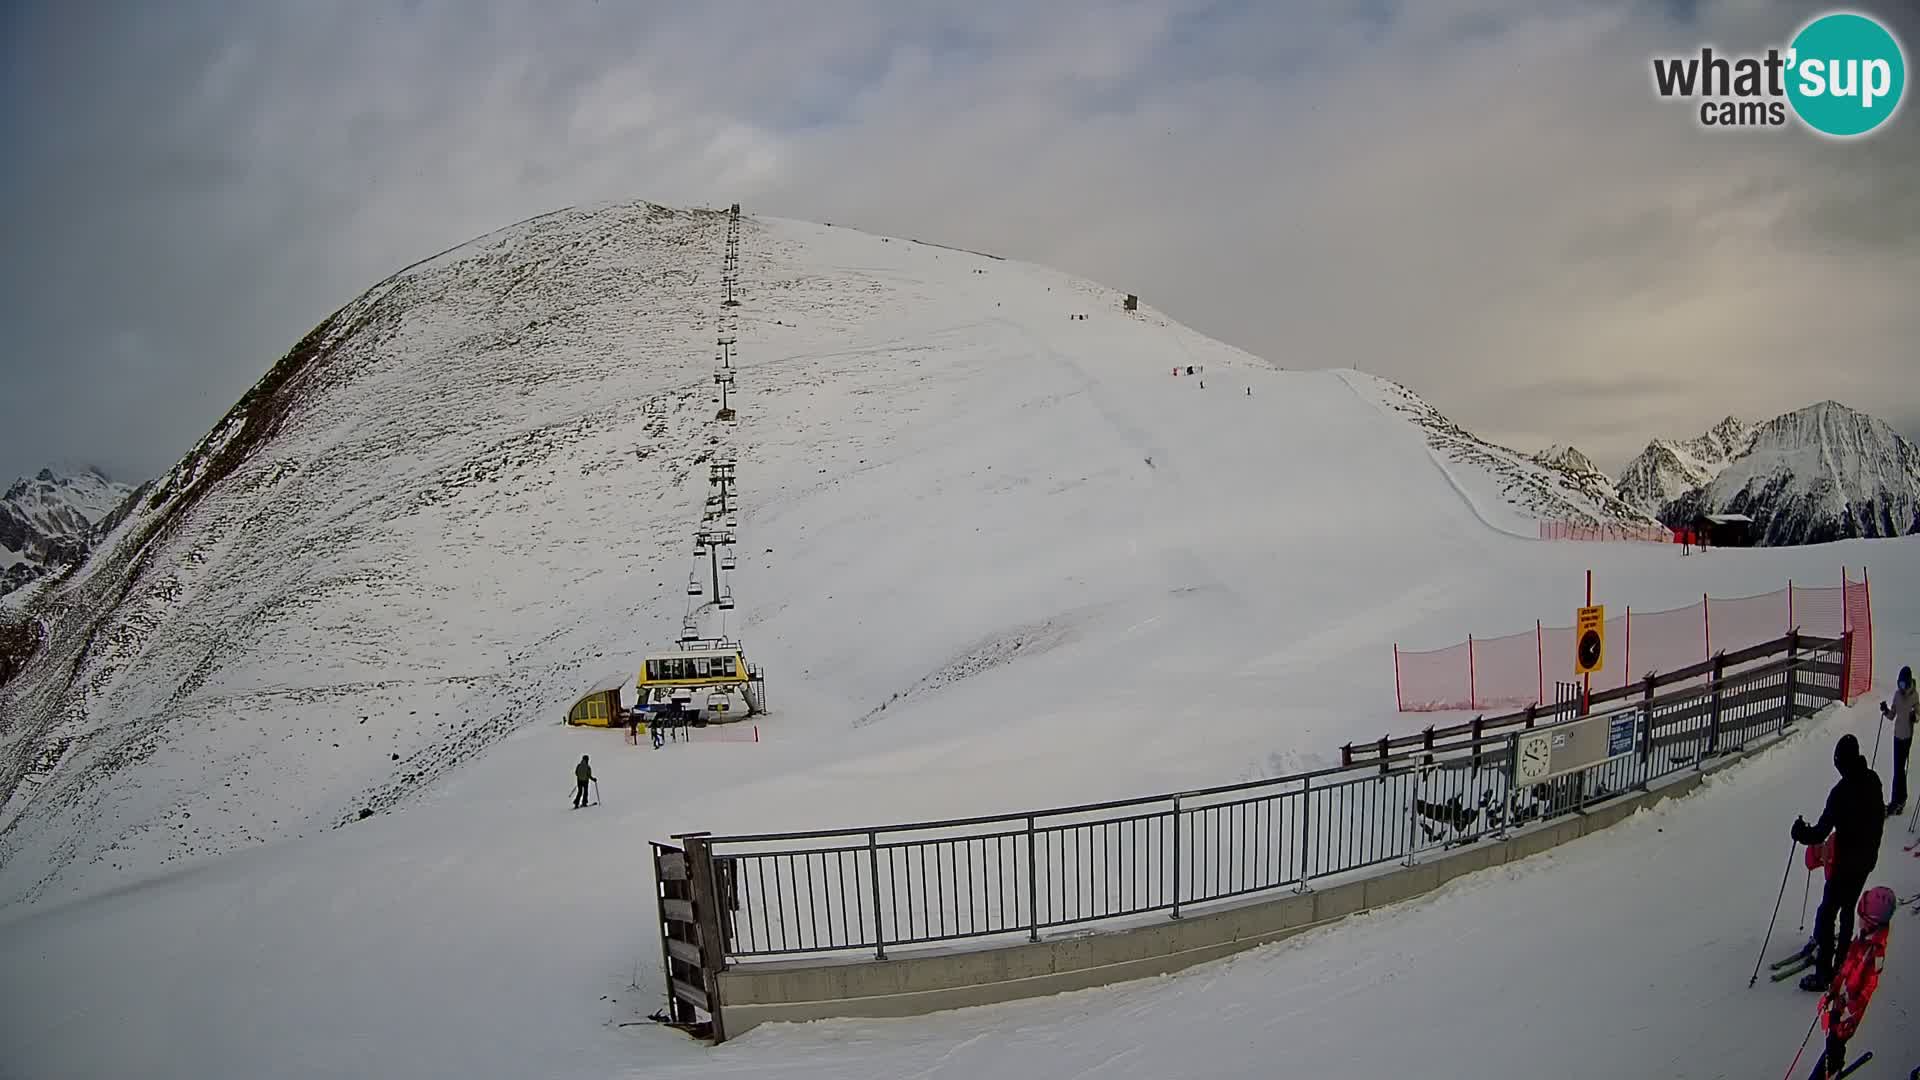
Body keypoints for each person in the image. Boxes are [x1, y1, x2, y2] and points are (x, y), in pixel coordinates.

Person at [1792, 733, 1885, 989]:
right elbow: (1879, 815)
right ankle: (1842, 962)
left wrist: (1800, 832)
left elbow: (1820, 832)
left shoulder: (1841, 793)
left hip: (1846, 864)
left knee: (1827, 912)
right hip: (1866, 859)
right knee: (1847, 909)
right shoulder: (1873, 780)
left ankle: (1824, 973)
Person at [1815, 886, 1895, 1078]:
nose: (1857, 920)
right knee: (1831, 1038)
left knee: (1836, 1041)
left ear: (1870, 922)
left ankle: (1831, 1069)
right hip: (1841, 1004)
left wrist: (1849, 1011)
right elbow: (1847, 967)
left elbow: (1869, 989)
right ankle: (1831, 1060)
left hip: (1849, 1015)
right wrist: (1834, 989)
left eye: (1861, 917)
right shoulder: (1861, 938)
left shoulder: (1876, 952)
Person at [1882, 665, 1915, 816]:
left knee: (1899, 770)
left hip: (1907, 737)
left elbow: (1919, 713)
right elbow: (1891, 715)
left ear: (1908, 683)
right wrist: (1885, 710)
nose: (1901, 687)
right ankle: (1901, 799)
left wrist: (1916, 717)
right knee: (1898, 769)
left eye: (1903, 684)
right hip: (1897, 736)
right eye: (1899, 683)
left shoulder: (1914, 696)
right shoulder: (1897, 695)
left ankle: (1896, 802)